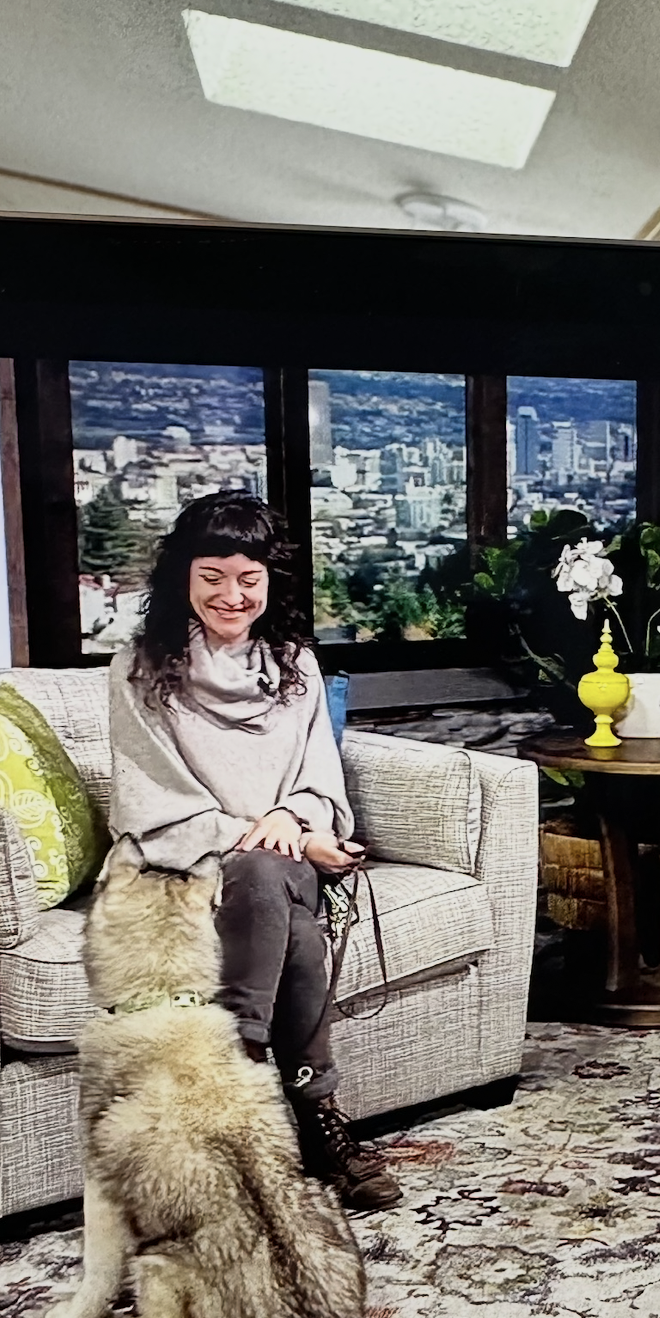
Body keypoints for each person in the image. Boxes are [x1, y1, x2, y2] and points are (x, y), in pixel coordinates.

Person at [107, 490, 401, 1211]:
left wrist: (294, 821)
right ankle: (318, 1117)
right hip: (184, 860)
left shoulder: (295, 664)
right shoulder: (139, 667)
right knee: (282, 904)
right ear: (182, 576)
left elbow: (317, 779)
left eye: (249, 578)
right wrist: (270, 836)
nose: (231, 595)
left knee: (270, 873)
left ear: (272, 581)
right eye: (212, 576)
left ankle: (231, 1090)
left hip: (285, 853)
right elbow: (152, 799)